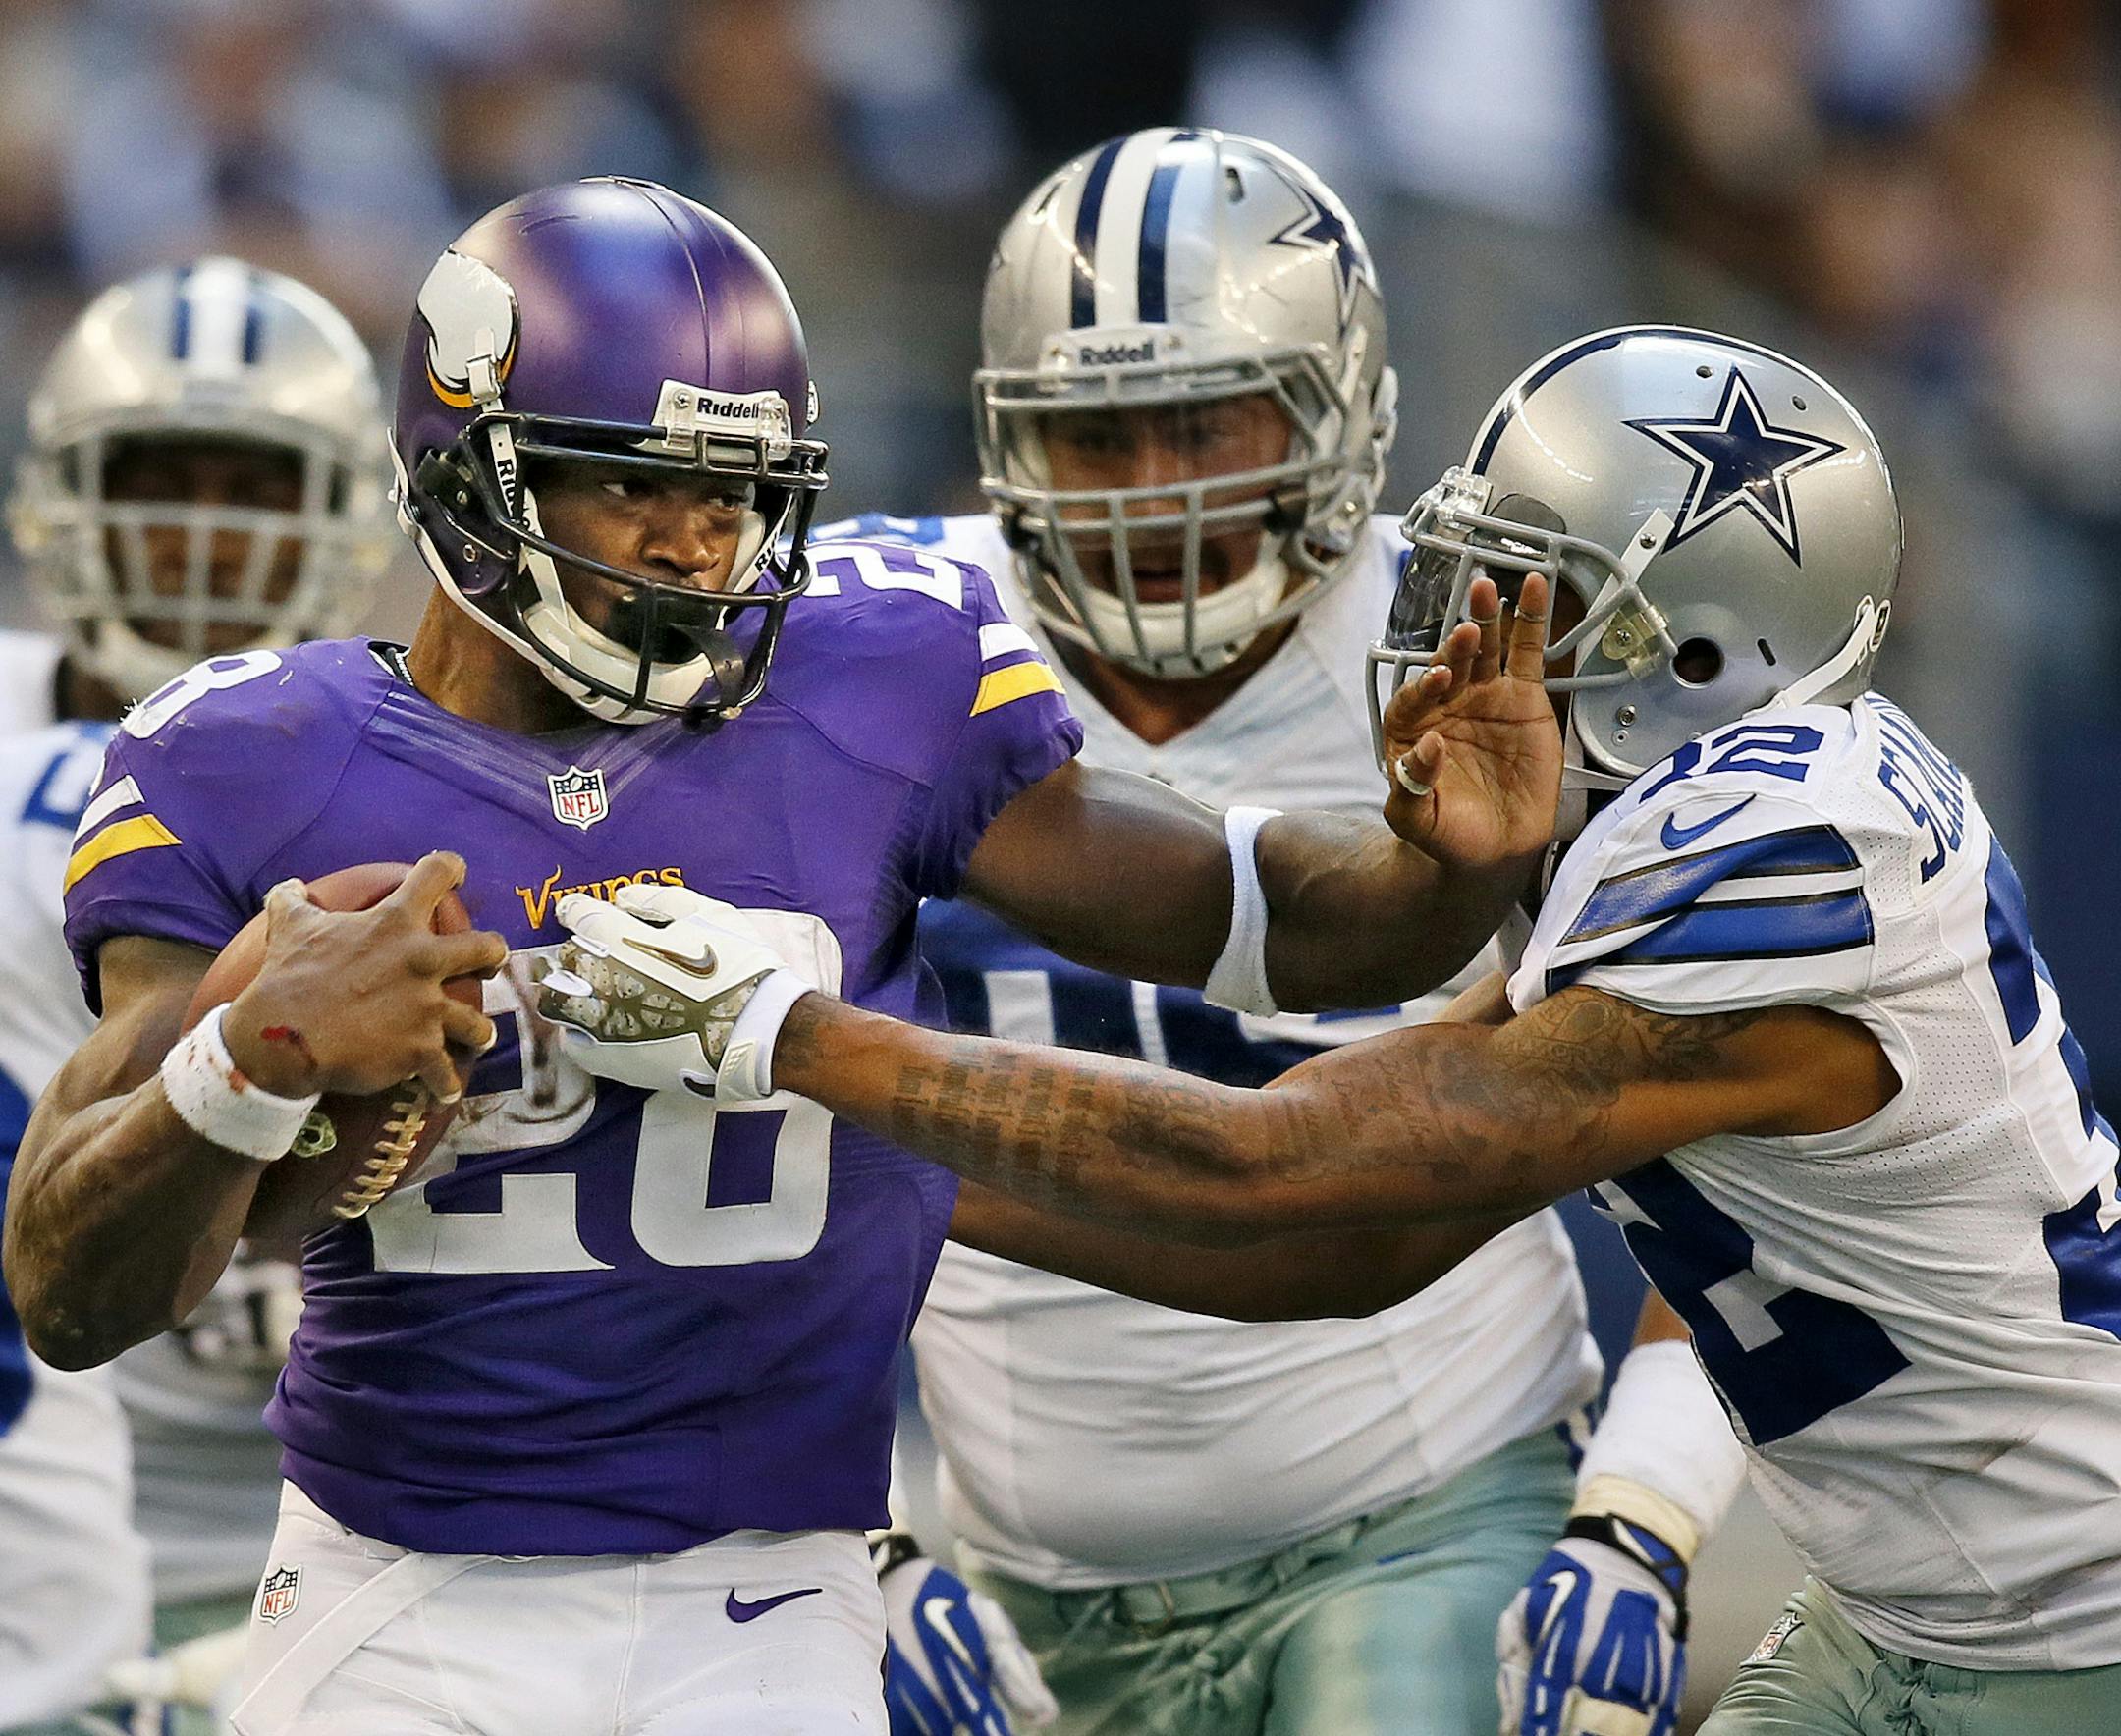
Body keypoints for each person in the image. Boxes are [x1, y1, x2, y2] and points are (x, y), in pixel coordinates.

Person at [4, 178, 1559, 1736]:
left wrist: (1439, 868)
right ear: (475, 471)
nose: (700, 547)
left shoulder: (872, 676)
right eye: (640, 489)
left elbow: (1260, 923)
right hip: (393, 1592)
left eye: (738, 494)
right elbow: (66, 1288)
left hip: (776, 1598)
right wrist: (250, 1055)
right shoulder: (249, 758)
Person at [553, 324, 2121, 1735]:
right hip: (1912, 1613)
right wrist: (860, 1165)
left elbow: (1278, 1171)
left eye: (1535, 590)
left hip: (2076, 1617)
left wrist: (802, 1047)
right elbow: (1351, 1250)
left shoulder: (1768, 859)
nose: (1470, 621)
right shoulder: (1695, 820)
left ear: (1696, 653)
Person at [818, 129, 1741, 1736]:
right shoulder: (888, 650)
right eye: (1096, 436)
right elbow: (720, 1143)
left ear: (1347, 411)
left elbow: (1748, 1139)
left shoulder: (1490, 657)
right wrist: (849, 1530)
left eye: (1206, 423)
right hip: (1021, 1577)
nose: (1154, 493)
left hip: (1431, 1513)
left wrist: (1641, 1517)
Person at [0, 257, 392, 1734]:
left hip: (395, 1532)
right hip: (54, 1539)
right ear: (61, 507)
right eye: (165, 480)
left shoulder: (455, 765)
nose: (210, 538)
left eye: (260, 486)